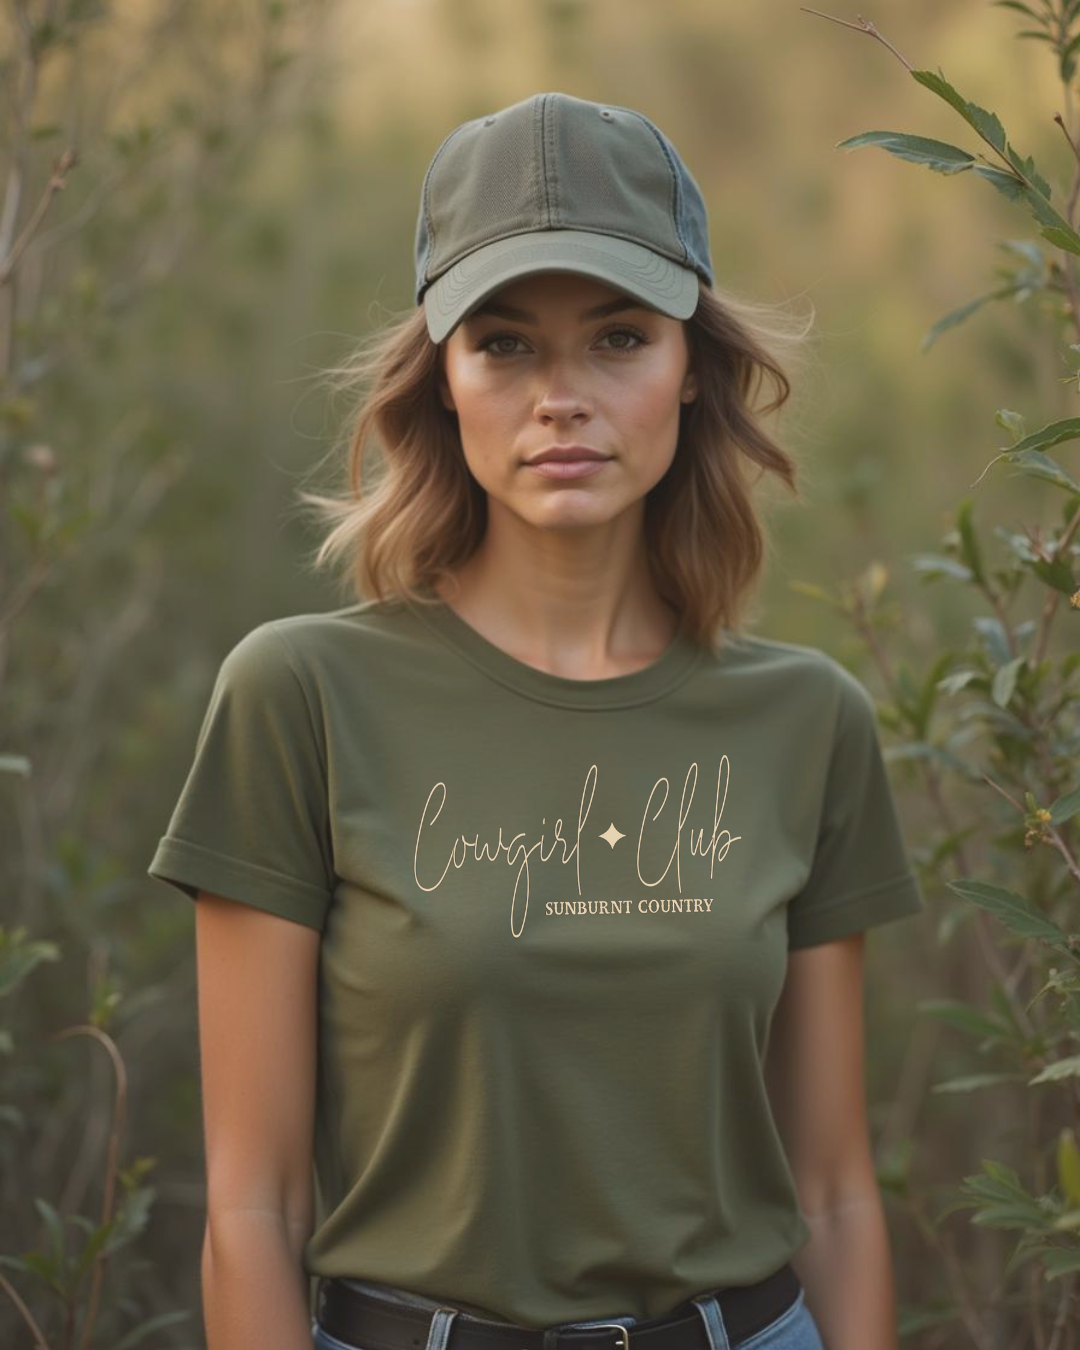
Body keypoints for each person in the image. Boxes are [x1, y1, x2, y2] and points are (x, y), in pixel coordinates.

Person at [147, 91, 926, 1350]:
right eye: (505, 344)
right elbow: (252, 1204)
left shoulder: (806, 721)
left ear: (693, 374)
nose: (561, 396)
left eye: (619, 337)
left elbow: (835, 1196)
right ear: (441, 381)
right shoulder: (299, 698)